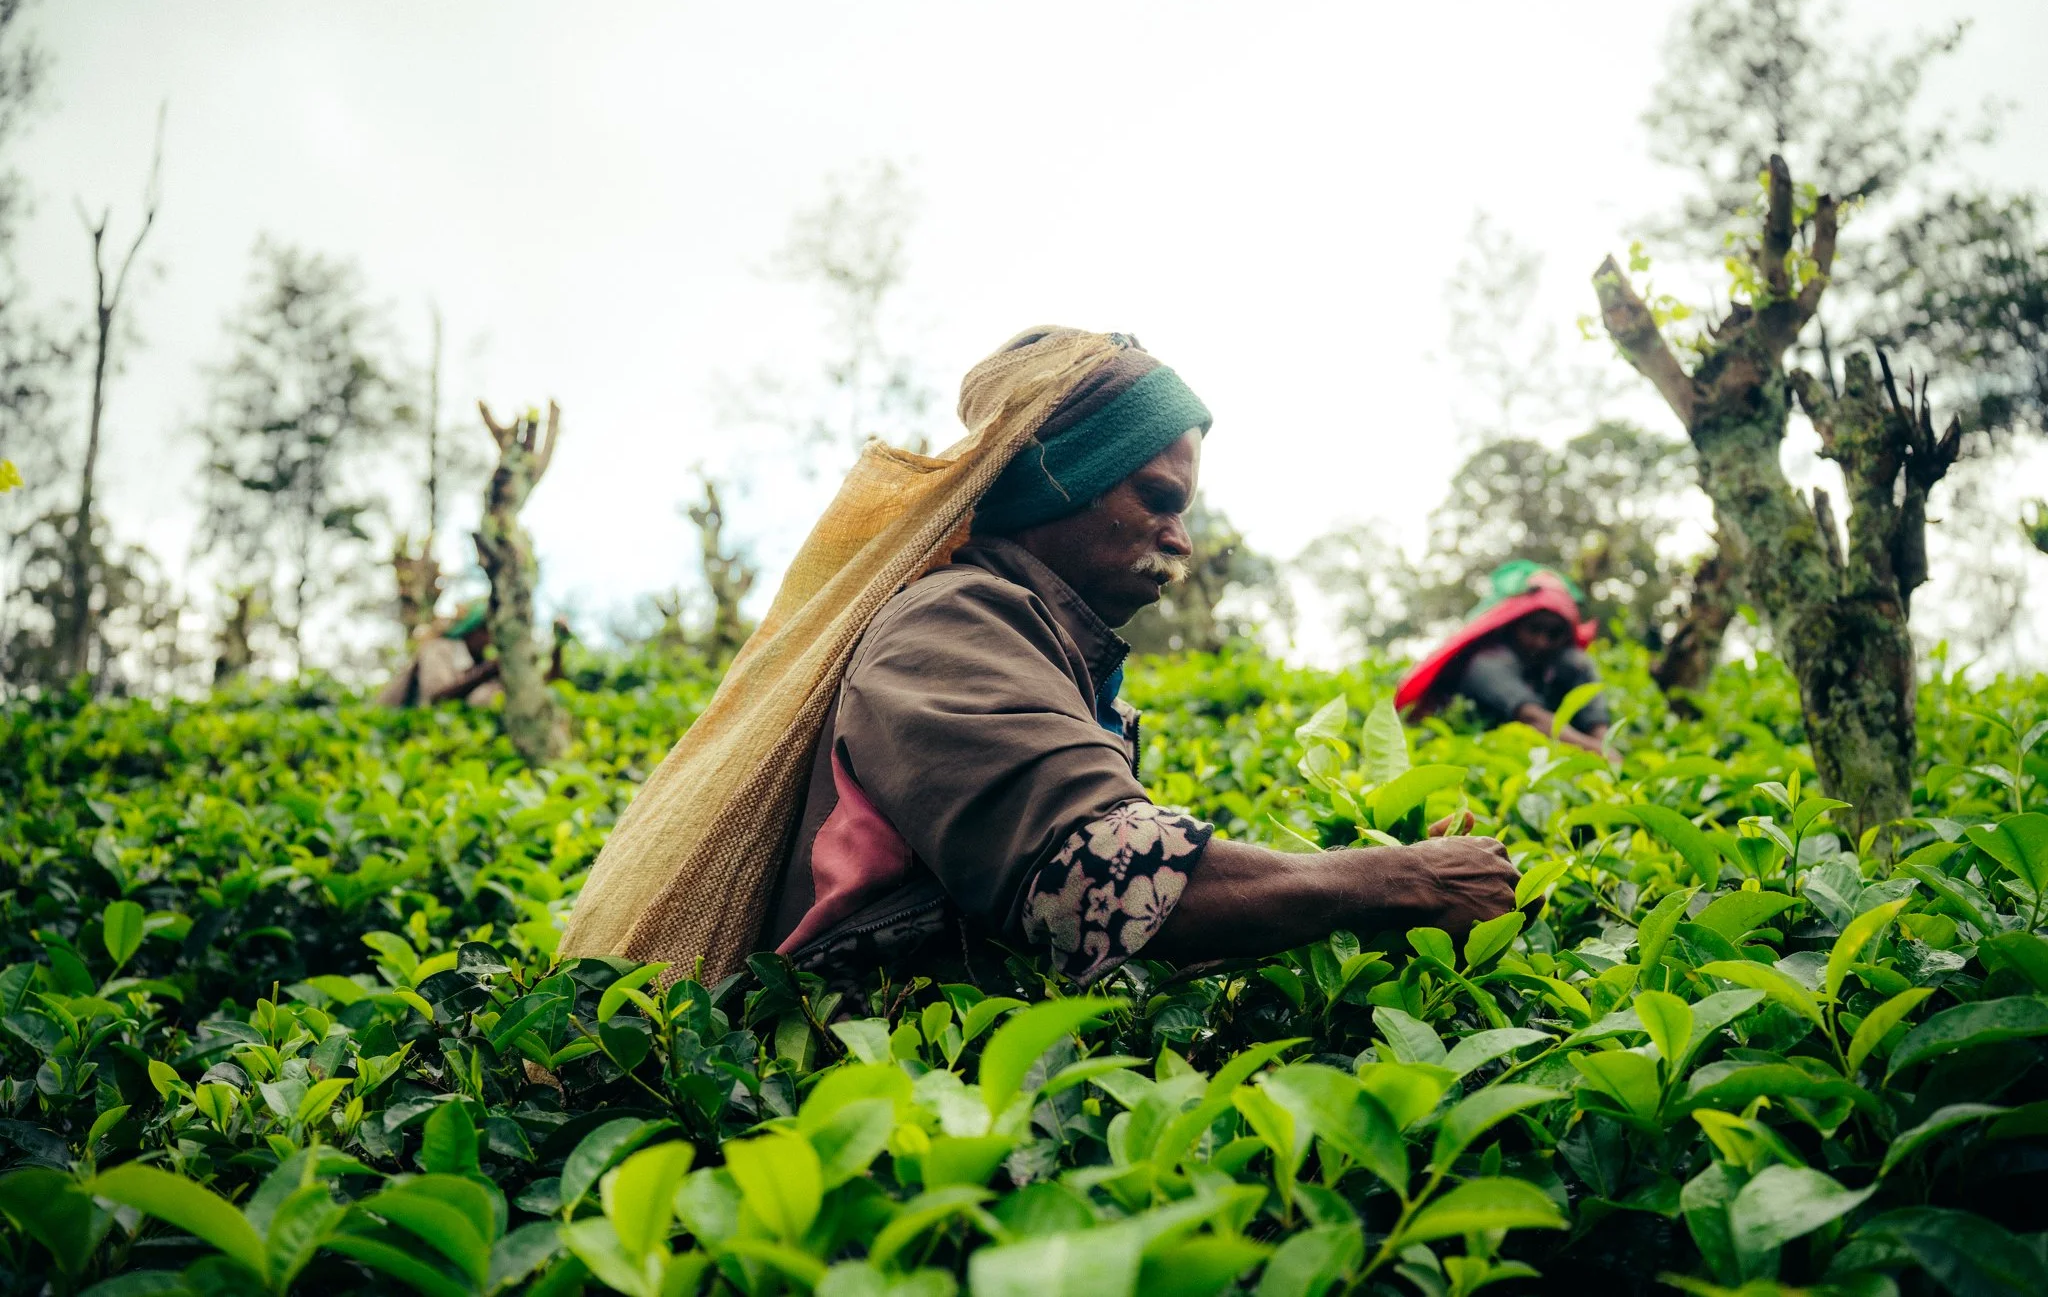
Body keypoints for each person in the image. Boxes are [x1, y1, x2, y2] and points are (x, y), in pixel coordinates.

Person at [747, 328, 1519, 985]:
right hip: (864, 1075)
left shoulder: (1059, 660)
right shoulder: (946, 624)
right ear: (1061, 484)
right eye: (1157, 499)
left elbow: (1128, 926)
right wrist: (1403, 881)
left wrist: (1379, 872)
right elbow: (1100, 877)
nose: (1181, 539)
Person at [1394, 562, 1614, 759]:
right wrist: (1600, 754)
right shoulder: (1485, 663)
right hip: (1479, 752)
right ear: (1513, 625)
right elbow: (1532, 718)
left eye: (1554, 634)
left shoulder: (1565, 662)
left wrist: (1605, 746)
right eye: (1534, 629)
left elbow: (1596, 722)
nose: (1542, 642)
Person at [376, 604, 568, 709]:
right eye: (486, 631)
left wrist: (558, 648)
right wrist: (487, 671)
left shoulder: (485, 664)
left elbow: (541, 691)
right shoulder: (439, 649)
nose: (491, 639)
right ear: (470, 630)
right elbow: (437, 699)